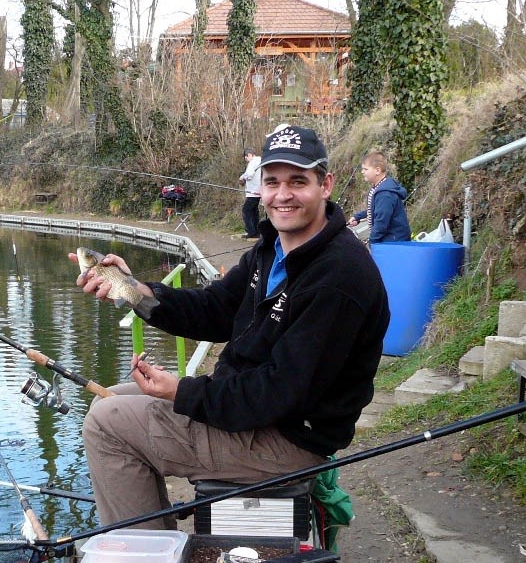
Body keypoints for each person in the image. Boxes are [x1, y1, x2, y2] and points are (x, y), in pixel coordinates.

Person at [71, 124, 390, 529]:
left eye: (298, 181)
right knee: (106, 401)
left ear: (324, 184)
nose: (282, 194)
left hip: (287, 440)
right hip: (254, 411)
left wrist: (182, 391)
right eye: (272, 182)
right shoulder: (273, 247)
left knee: (106, 425)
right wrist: (134, 290)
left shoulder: (339, 278)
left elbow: (280, 392)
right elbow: (215, 309)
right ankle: (156, 543)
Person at [347, 151, 411, 243]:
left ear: (377, 170)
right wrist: (358, 217)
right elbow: (375, 210)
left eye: (365, 169)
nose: (362, 172)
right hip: (388, 241)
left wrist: (372, 241)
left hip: (393, 243)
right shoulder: (378, 188)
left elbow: (381, 223)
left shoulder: (385, 194)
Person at [238, 147, 262, 238]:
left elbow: (249, 174)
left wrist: (242, 178)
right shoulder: (259, 161)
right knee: (254, 211)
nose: (246, 159)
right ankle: (256, 231)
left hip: (253, 192)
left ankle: (251, 232)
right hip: (258, 191)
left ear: (249, 155)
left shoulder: (252, 162)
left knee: (246, 210)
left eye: (246, 157)